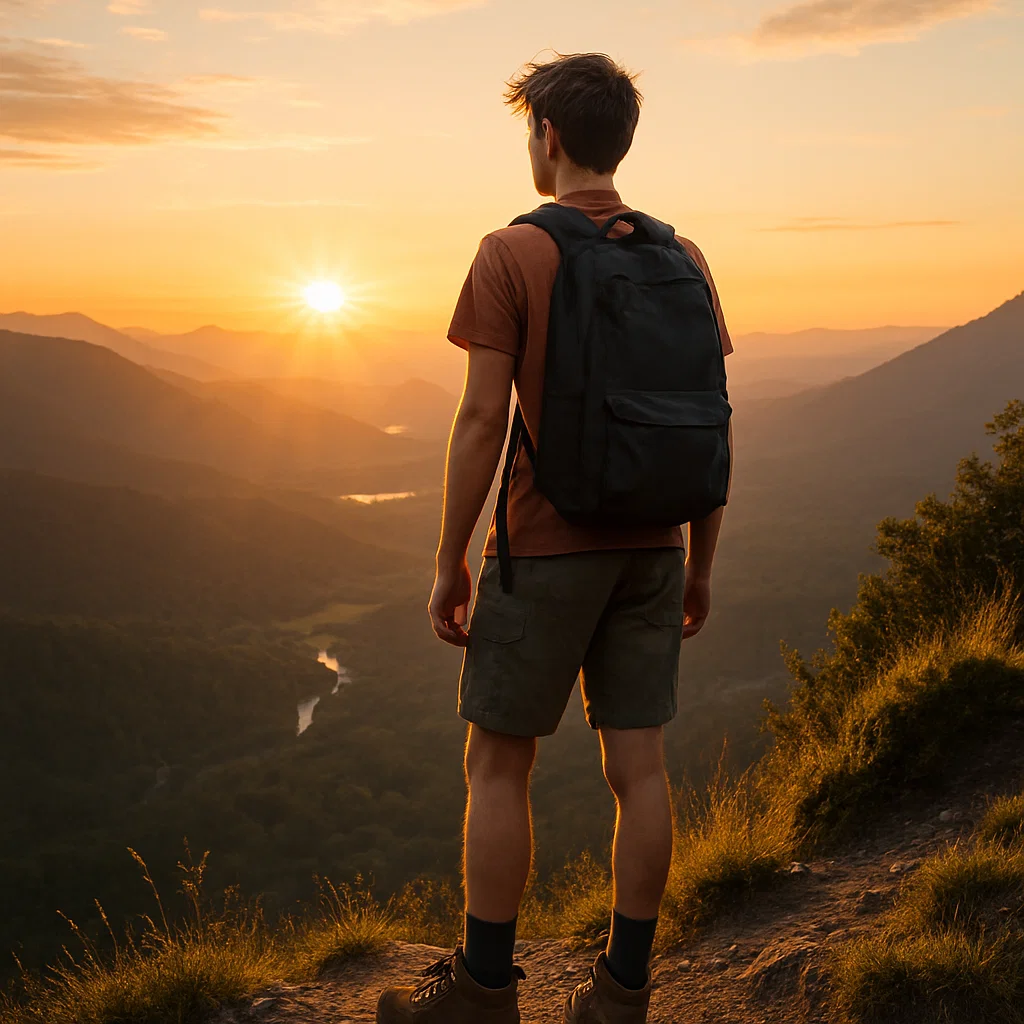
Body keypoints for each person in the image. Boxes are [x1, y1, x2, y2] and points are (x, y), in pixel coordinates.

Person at [376, 51, 733, 1024]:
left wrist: (448, 559)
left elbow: (482, 421)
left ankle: (483, 992)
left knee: (498, 763)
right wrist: (699, 566)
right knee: (640, 767)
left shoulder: (511, 251)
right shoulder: (686, 258)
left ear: (548, 136)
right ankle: (621, 992)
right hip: (657, 546)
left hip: (542, 546)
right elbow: (707, 414)